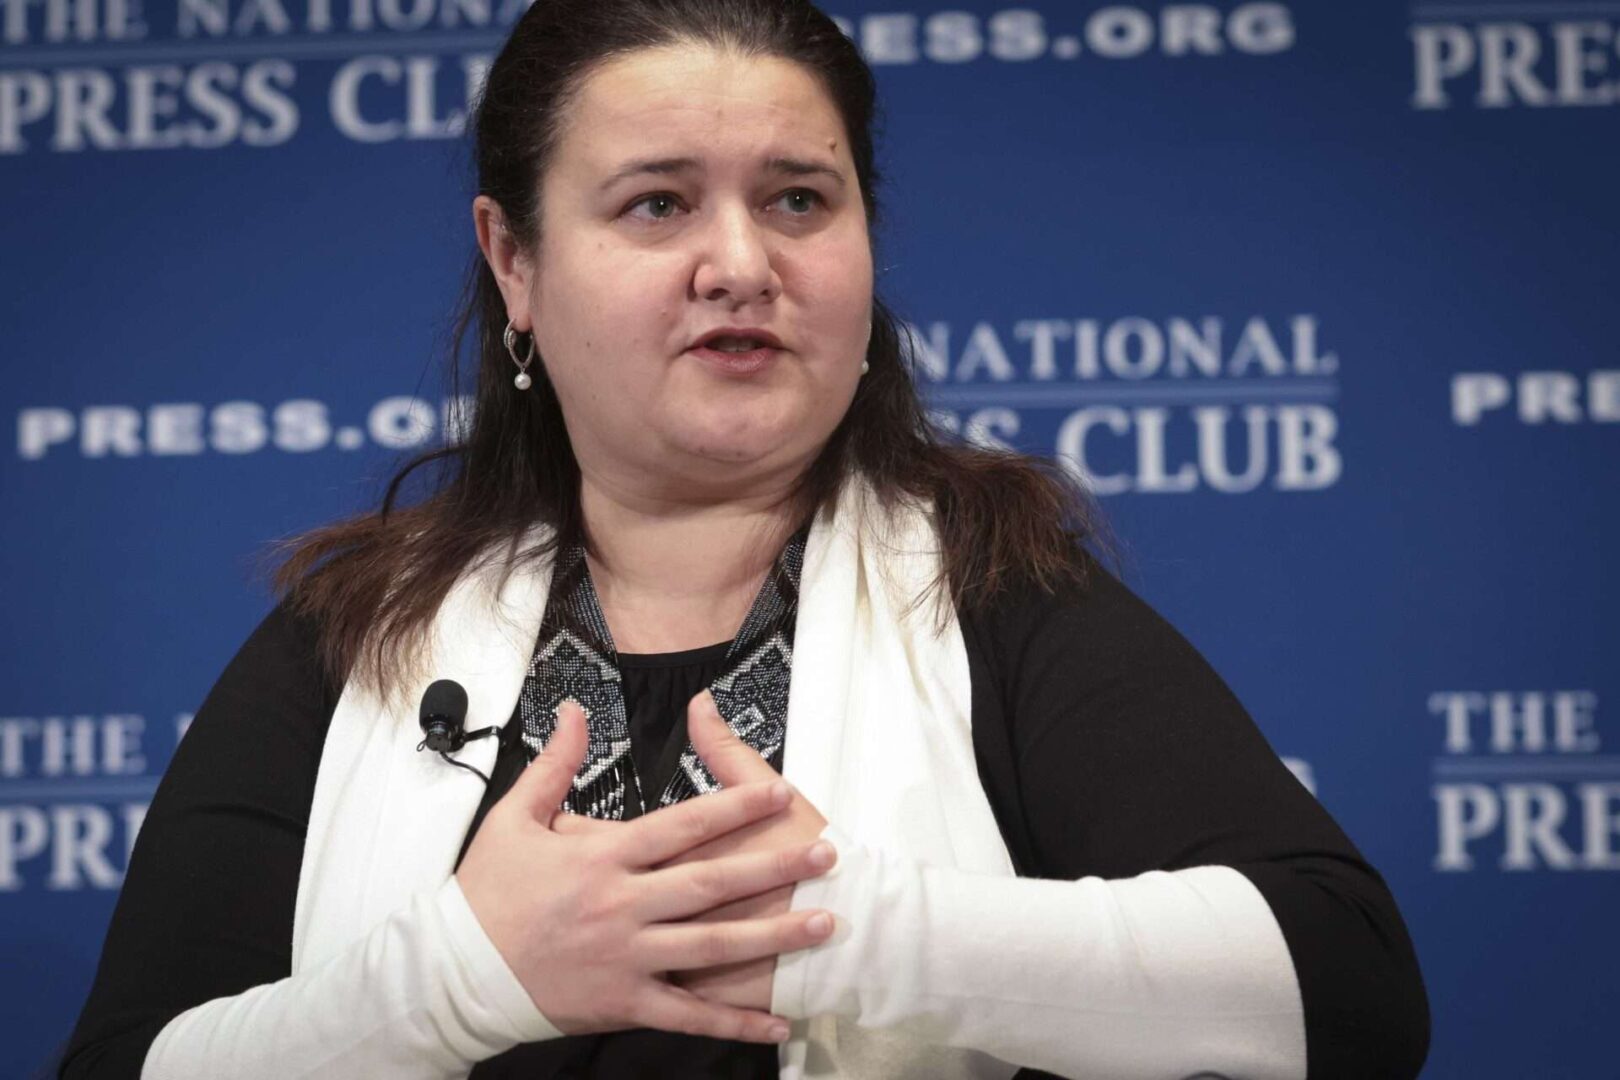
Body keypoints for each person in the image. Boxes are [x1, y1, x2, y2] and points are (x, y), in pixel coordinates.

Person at [60, 1, 1430, 1077]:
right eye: (658, 202)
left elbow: (1348, 989)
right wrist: (463, 975)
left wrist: (846, 933)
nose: (742, 263)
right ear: (514, 262)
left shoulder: (992, 588)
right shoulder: (355, 632)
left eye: (797, 199)